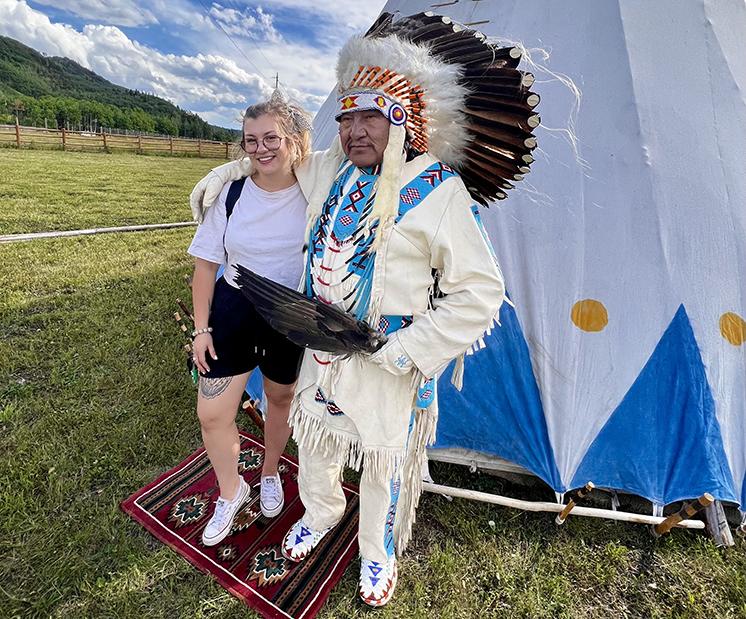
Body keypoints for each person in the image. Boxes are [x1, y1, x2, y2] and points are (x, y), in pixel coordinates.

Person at [190, 12, 538, 606]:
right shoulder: (333, 169)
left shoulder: (439, 191)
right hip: (320, 349)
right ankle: (322, 514)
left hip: (387, 357)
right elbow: (284, 160)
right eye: (346, 117)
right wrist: (232, 170)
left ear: (403, 121)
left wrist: (407, 351)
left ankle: (376, 550)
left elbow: (479, 293)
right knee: (317, 442)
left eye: (371, 116)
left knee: (382, 461)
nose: (353, 129)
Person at [187, 92, 312, 547]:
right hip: (234, 308)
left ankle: (271, 470)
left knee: (280, 400)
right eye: (250, 140)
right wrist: (202, 329)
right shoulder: (233, 193)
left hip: (288, 312)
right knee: (212, 412)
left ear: (294, 139)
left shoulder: (316, 190)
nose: (260, 148)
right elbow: (204, 265)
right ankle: (231, 489)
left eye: (271, 138)